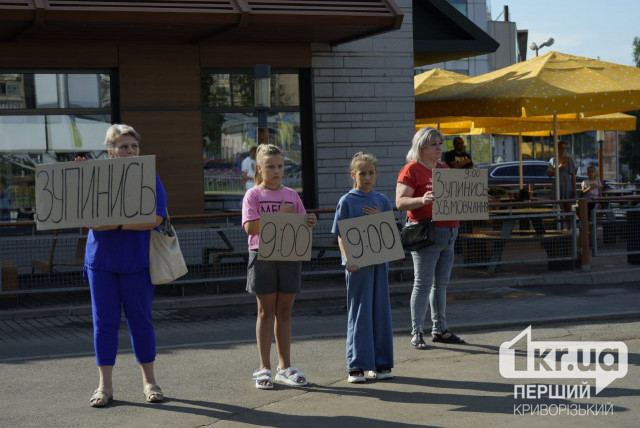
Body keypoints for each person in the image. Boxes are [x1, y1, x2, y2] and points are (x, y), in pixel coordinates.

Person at [79, 124, 167, 407]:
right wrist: (80, 176)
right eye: (124, 146)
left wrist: (116, 224)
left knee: (141, 323)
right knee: (103, 324)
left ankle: (150, 382)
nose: (131, 150)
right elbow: (81, 212)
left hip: (136, 263)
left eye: (134, 146)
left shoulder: (149, 176)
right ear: (111, 152)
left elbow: (157, 218)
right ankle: (104, 386)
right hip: (101, 263)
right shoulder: (95, 176)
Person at [241, 144, 317, 389]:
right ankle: (264, 367)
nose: (276, 171)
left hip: (289, 255)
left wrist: (310, 220)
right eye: (271, 166)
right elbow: (249, 227)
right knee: (265, 311)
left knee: (284, 312)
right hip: (261, 256)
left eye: (280, 166)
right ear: (260, 168)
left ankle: (284, 367)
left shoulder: (292, 194)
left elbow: (303, 223)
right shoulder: (253, 195)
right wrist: (278, 218)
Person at [396, 127, 465, 350]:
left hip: (449, 232)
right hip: (426, 233)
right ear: (422, 146)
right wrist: (422, 200)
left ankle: (440, 330)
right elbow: (400, 202)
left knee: (441, 285)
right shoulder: (411, 170)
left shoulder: (444, 168)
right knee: (423, 284)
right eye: (434, 143)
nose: (439, 148)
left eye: (440, 143)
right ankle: (417, 332)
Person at [332, 152, 394, 383]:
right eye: (362, 173)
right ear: (353, 175)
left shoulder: (383, 200)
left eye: (371, 173)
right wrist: (348, 259)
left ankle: (381, 362)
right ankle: (357, 365)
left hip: (379, 263)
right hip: (357, 266)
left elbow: (389, 234)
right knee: (360, 313)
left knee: (381, 311)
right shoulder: (346, 201)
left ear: (376, 174)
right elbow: (340, 235)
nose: (367, 177)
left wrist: (380, 218)